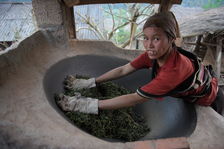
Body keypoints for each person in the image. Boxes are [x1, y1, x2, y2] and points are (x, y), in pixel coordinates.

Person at [57, 11, 224, 116]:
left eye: (156, 39)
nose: (149, 45)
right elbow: (123, 70)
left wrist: (84, 104)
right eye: (146, 38)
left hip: (213, 99)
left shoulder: (174, 69)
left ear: (171, 39)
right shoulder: (153, 55)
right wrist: (90, 82)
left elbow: (134, 99)